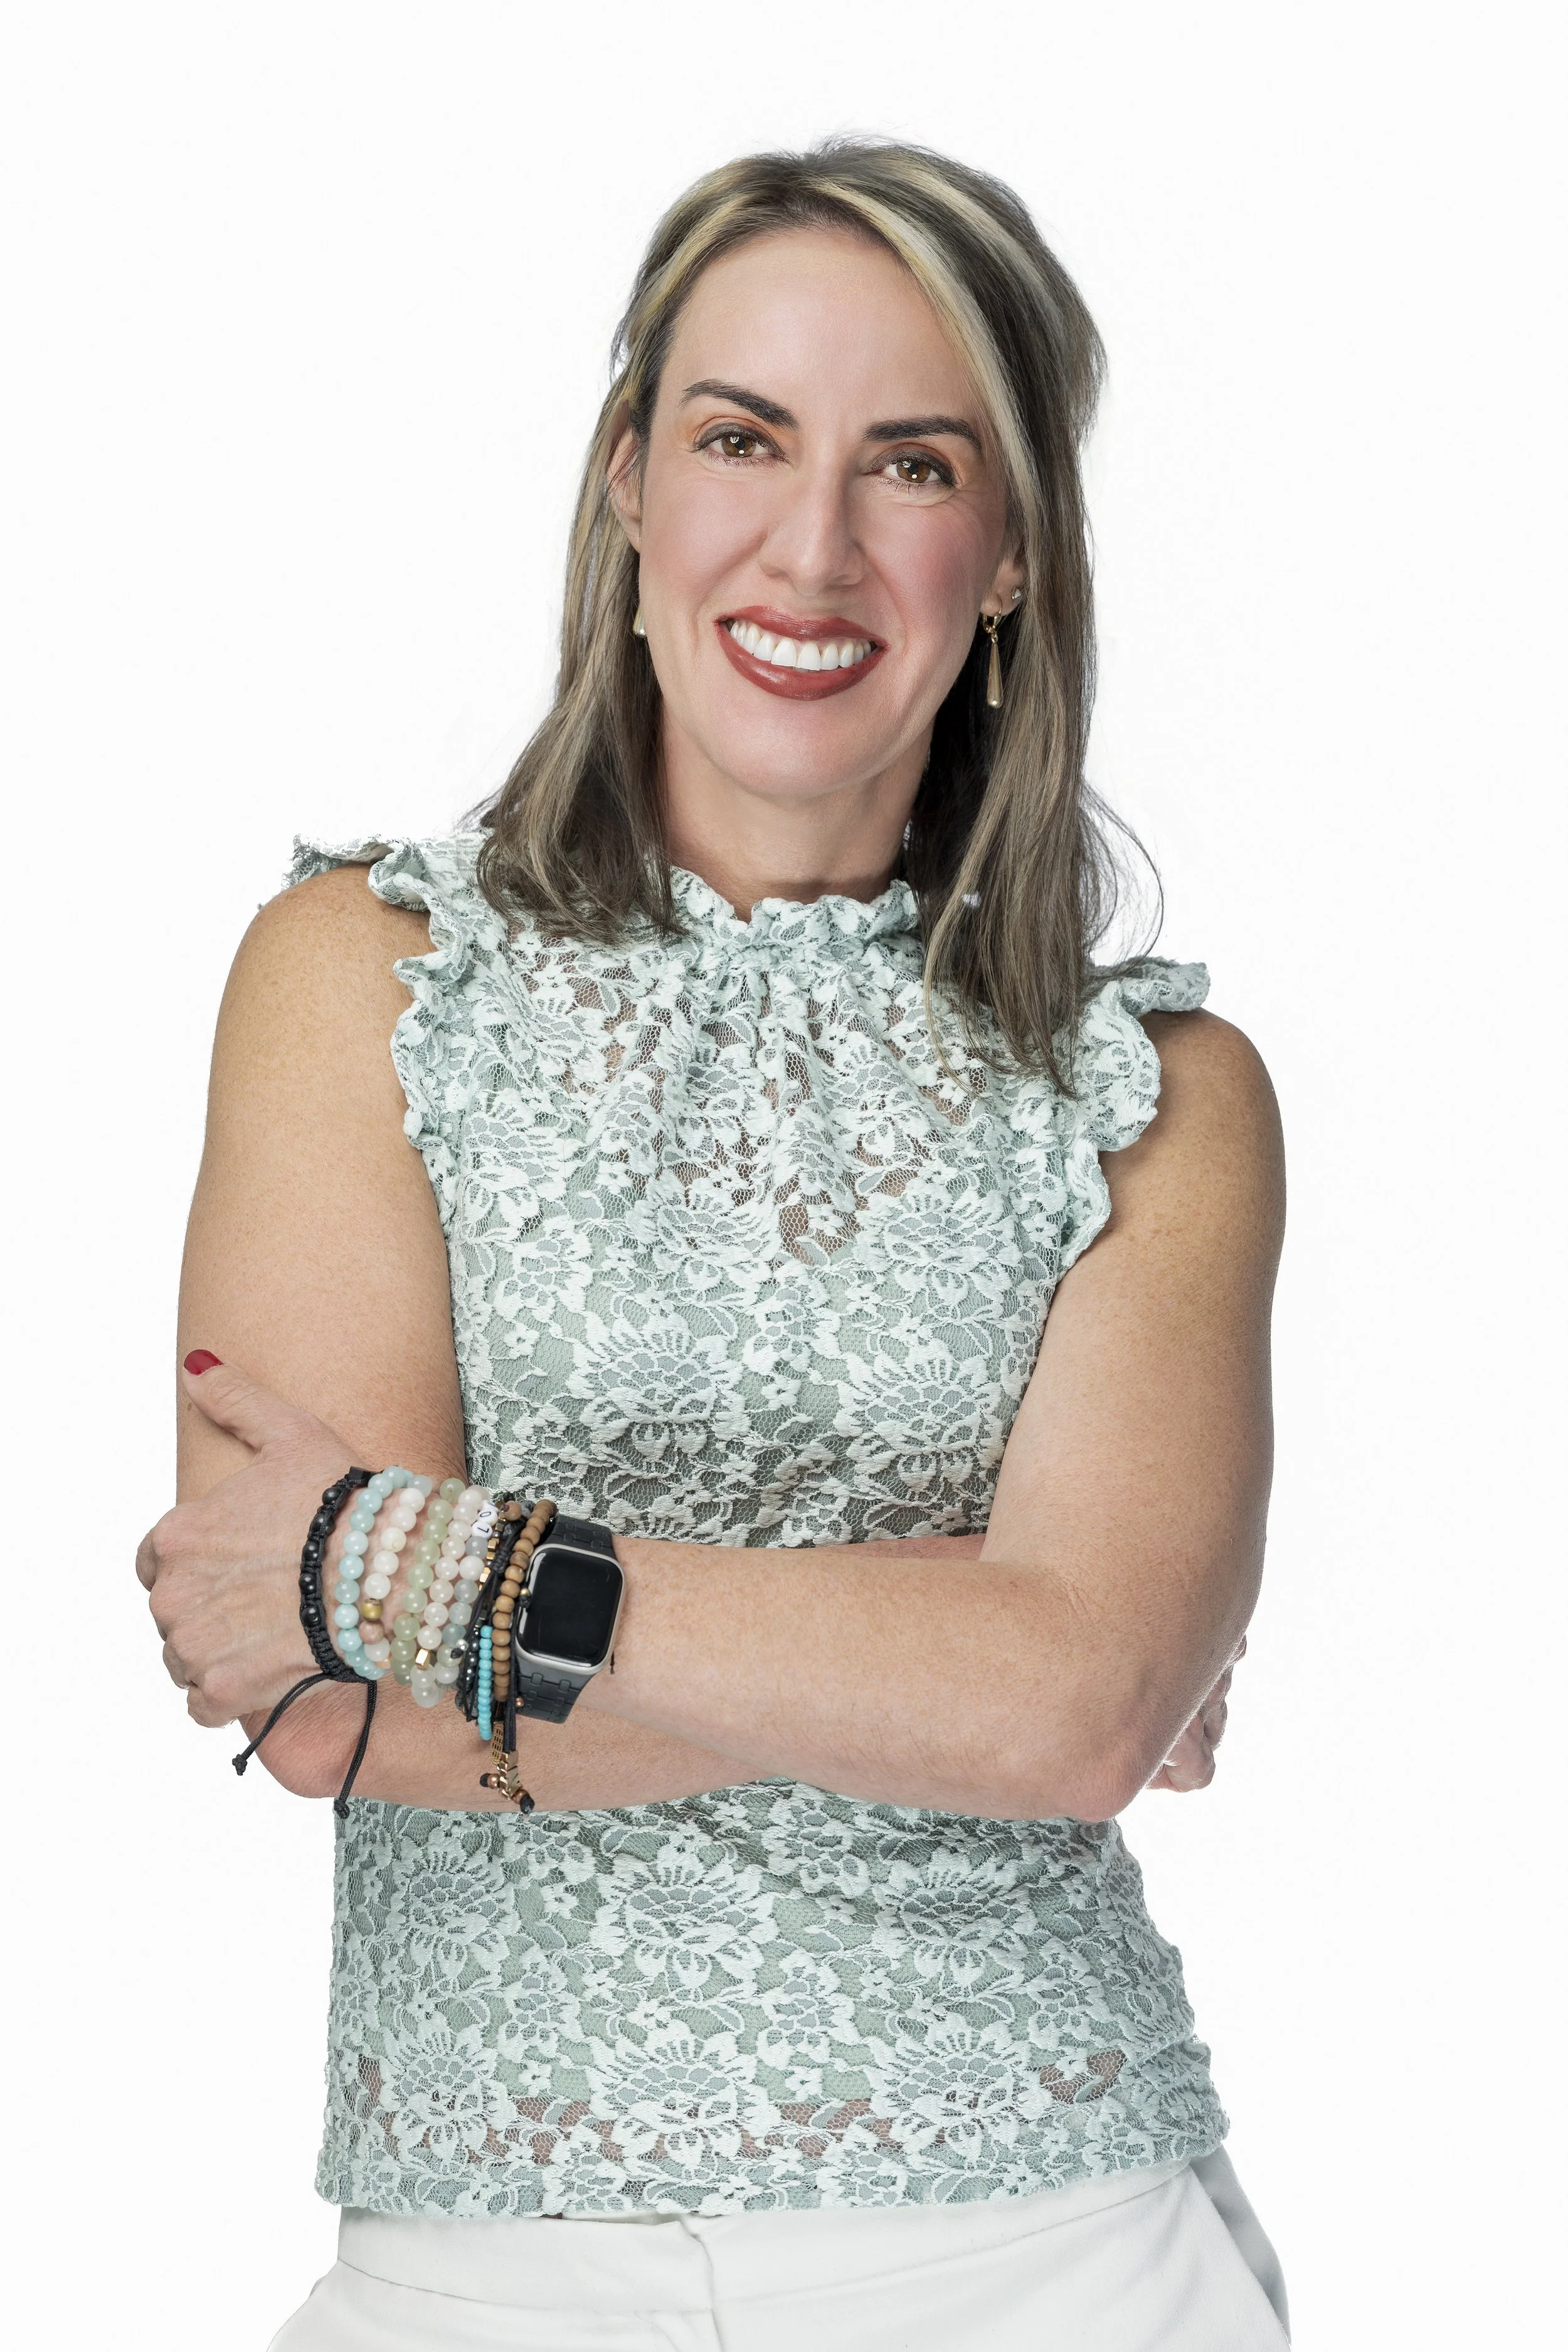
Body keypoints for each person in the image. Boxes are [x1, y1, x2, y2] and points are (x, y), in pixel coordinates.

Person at [140, 140, 1290, 2349]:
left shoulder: (1162, 1097)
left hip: (1050, 2239)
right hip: (478, 2260)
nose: (812, 543)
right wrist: (940, 1650)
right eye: (740, 436)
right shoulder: (355, 976)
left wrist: (429, 1568)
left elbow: (1069, 1708)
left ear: (1014, 554)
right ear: (624, 486)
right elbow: (298, 1700)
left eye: (913, 462)